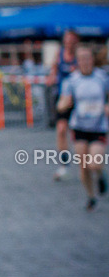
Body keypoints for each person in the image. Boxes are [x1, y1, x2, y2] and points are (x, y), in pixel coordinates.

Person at [57, 45, 109, 210]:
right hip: (79, 127)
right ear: (77, 61)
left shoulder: (103, 78)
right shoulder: (71, 80)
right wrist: (64, 104)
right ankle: (91, 196)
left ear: (92, 59)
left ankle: (100, 176)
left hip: (98, 126)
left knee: (95, 163)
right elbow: (61, 104)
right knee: (84, 166)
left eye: (88, 58)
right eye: (82, 59)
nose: (85, 62)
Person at [51, 29, 80, 180]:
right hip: (62, 98)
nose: (68, 43)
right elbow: (54, 69)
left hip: (78, 99)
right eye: (66, 40)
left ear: (76, 42)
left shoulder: (80, 57)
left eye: (71, 40)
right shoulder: (60, 54)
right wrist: (52, 77)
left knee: (77, 133)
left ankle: (86, 160)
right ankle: (64, 164)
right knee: (61, 130)